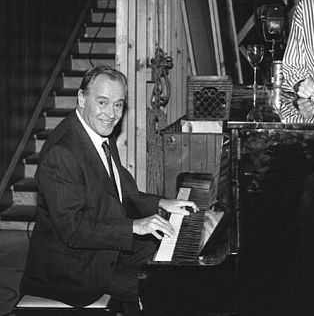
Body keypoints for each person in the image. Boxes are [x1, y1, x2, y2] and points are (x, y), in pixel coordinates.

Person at [20, 66, 198, 316]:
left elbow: (123, 194)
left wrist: (162, 203)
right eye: (102, 102)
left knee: (172, 262)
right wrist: (135, 226)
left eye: (118, 105)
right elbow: (73, 230)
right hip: (73, 268)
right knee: (158, 285)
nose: (111, 114)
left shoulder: (98, 133)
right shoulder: (62, 153)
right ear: (82, 99)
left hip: (101, 248)